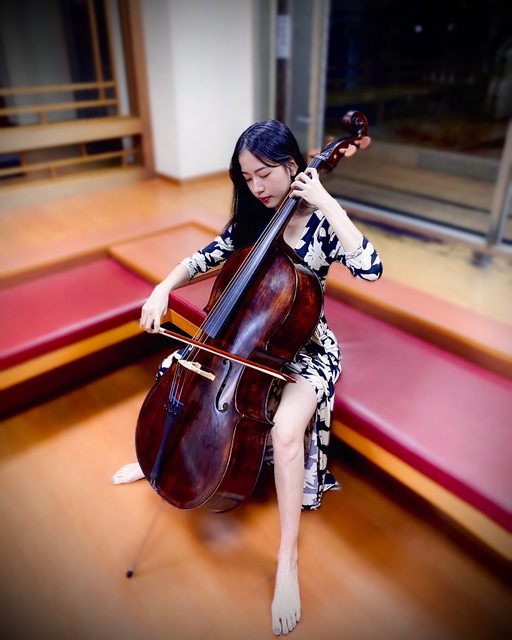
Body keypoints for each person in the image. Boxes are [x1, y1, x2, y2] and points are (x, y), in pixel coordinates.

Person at [112, 120, 382, 636]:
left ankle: (287, 561)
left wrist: (327, 202)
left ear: (292, 165)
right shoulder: (253, 219)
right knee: (178, 374)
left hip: (303, 348)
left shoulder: (321, 222)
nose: (256, 186)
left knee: (285, 432)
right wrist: (163, 288)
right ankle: (159, 462)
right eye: (246, 177)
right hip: (244, 342)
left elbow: (371, 268)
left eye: (264, 174)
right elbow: (204, 260)